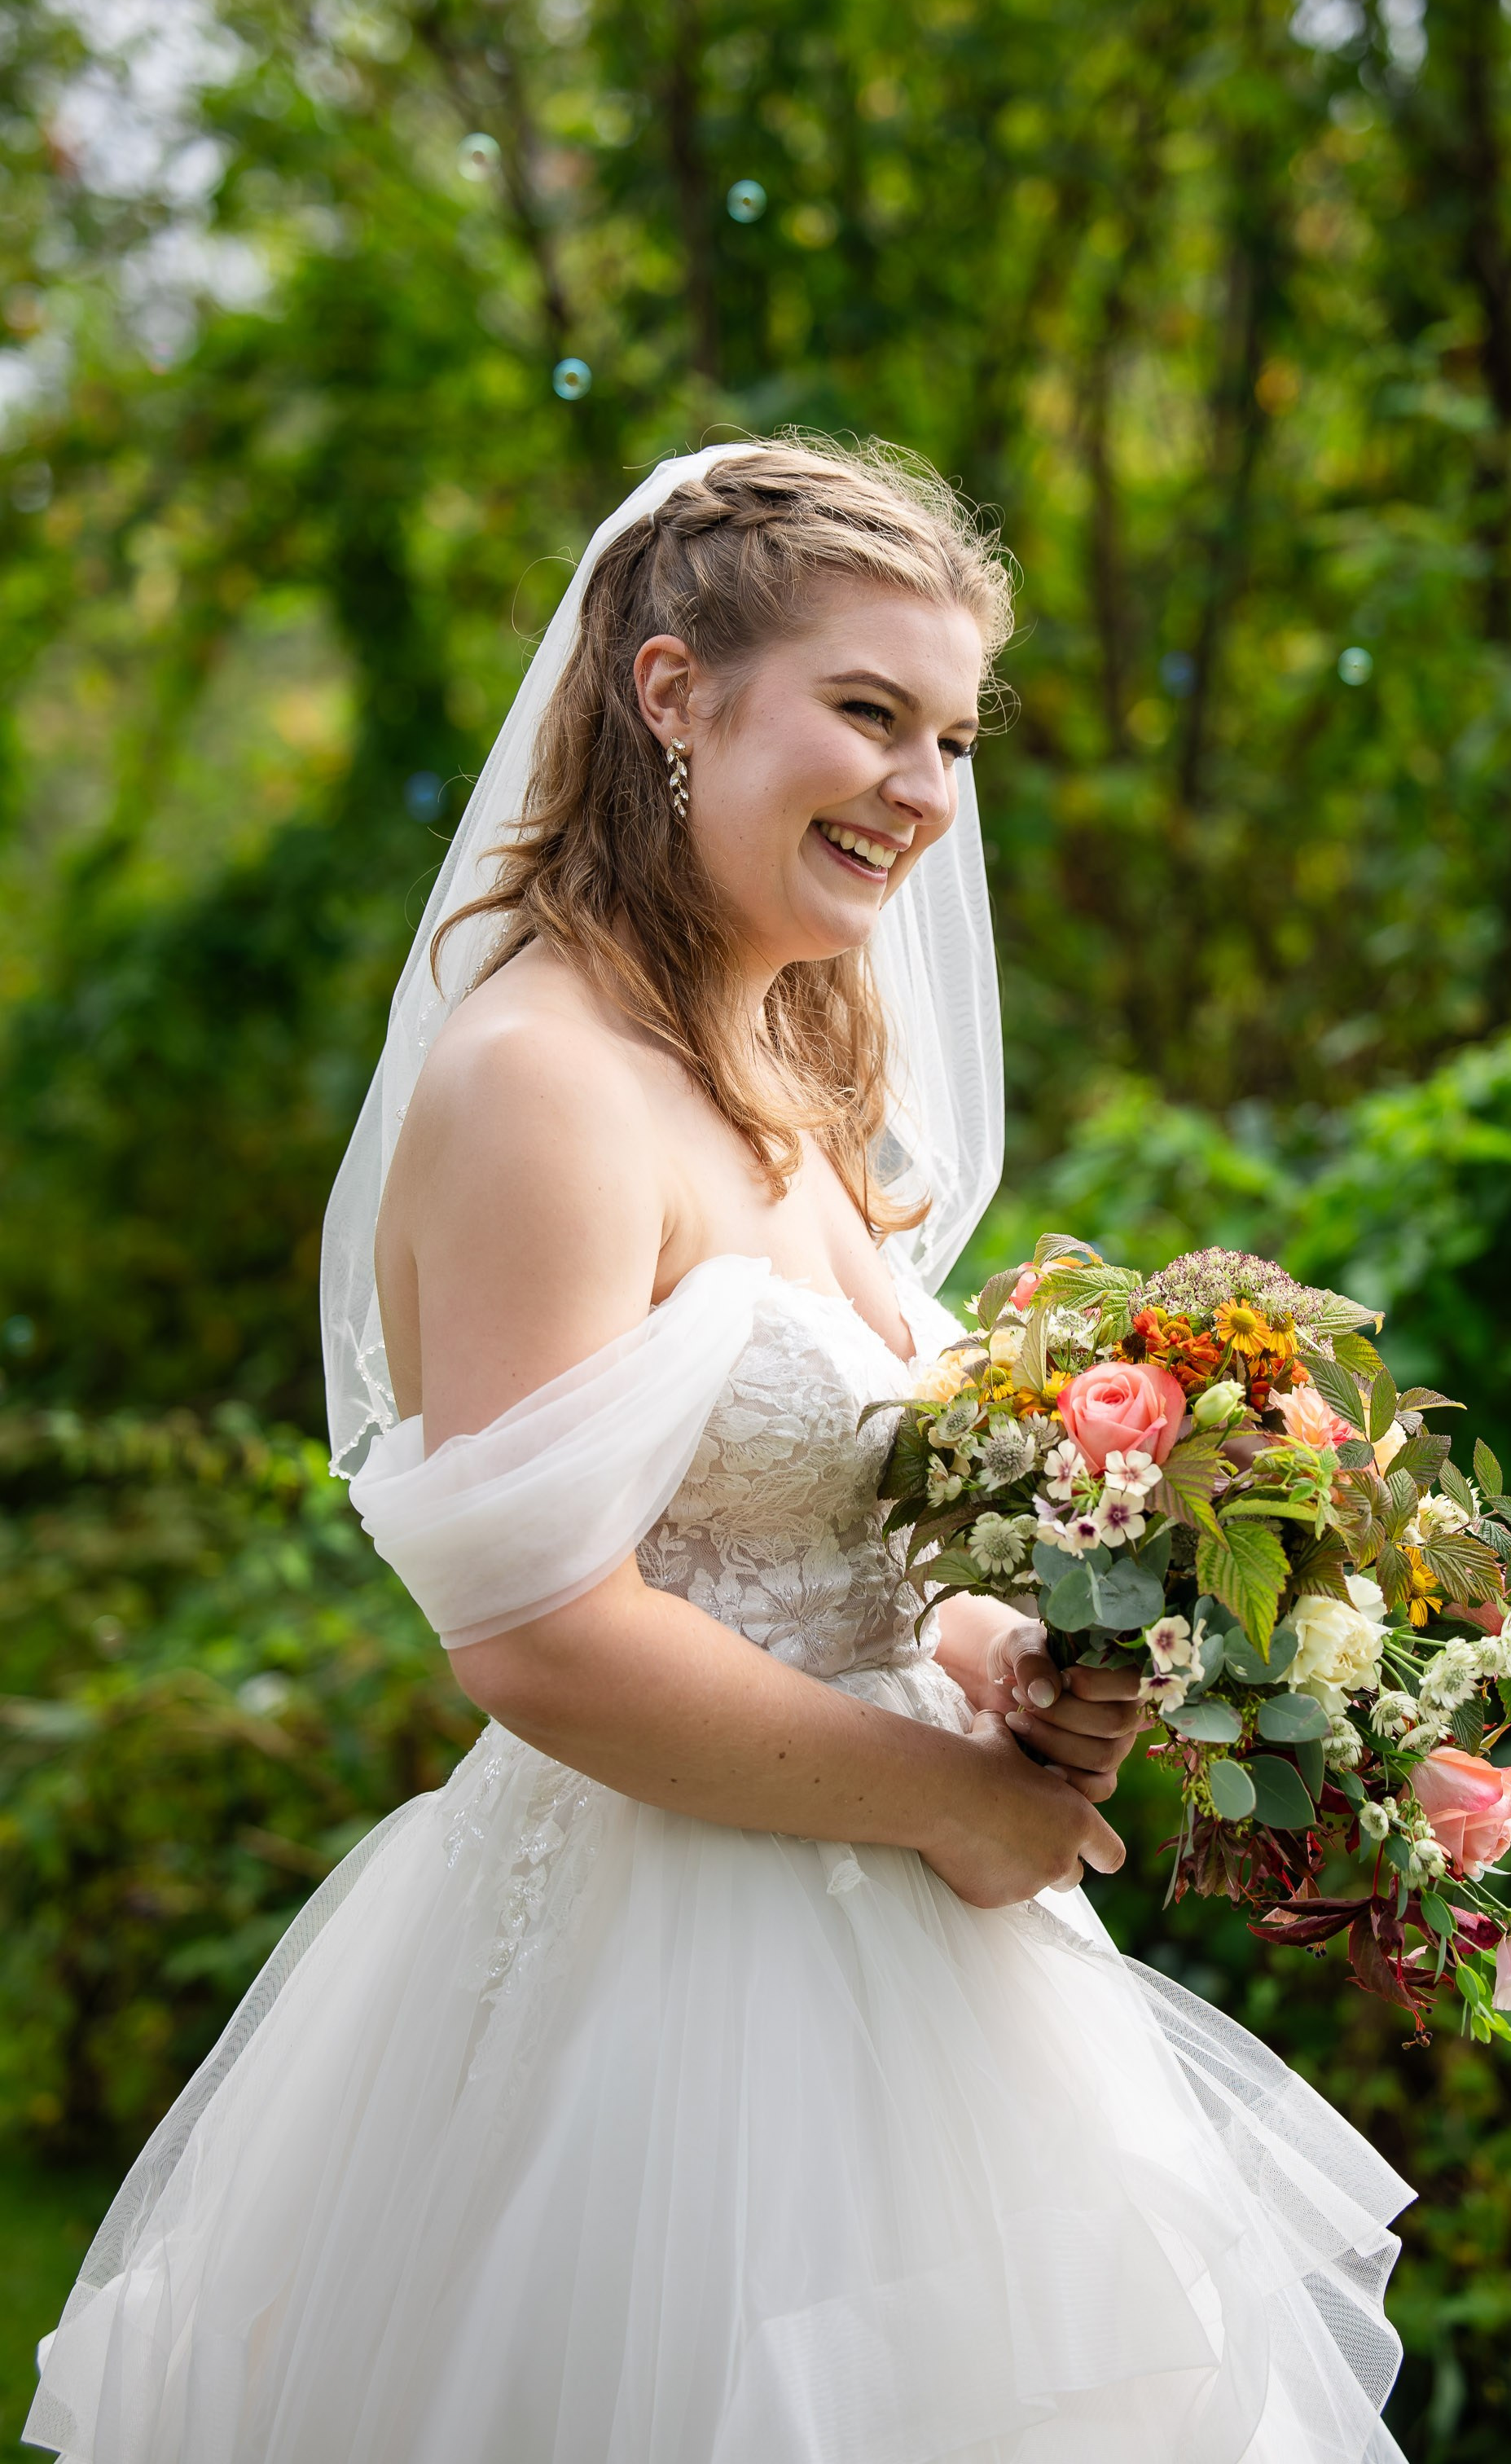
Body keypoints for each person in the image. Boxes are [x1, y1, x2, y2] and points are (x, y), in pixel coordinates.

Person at [28, 439, 1412, 2464]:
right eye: (866, 713)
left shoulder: (782, 1068)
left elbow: (816, 1531)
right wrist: (953, 1802)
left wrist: (990, 1659)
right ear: (673, 694)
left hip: (914, 1956)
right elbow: (542, 1633)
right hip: (663, 1988)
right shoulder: (542, 1084)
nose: (923, 794)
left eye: (950, 736)